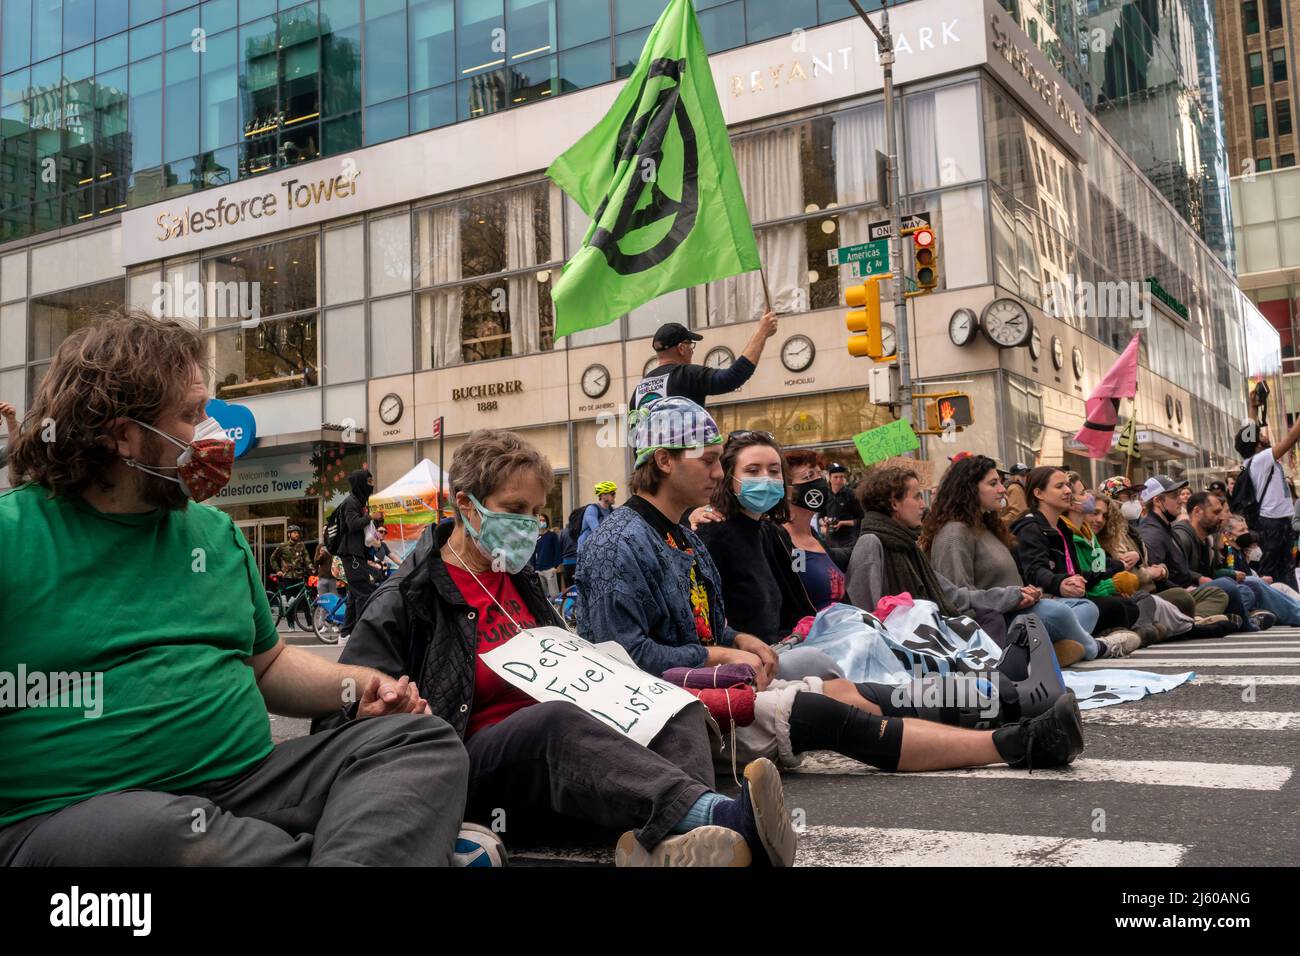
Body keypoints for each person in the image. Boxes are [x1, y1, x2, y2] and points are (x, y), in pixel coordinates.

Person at [0, 310, 469, 866]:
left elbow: (266, 666)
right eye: (192, 414)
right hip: (77, 814)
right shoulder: (14, 536)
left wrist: (363, 685)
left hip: (249, 786)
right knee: (164, 834)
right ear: (125, 435)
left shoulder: (216, 535)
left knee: (419, 741)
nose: (214, 433)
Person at [315, 427, 801, 867]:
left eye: (535, 511)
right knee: (552, 722)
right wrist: (377, 710)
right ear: (465, 504)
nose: (529, 524)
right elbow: (334, 714)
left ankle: (666, 844)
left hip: (560, 757)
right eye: (514, 510)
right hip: (469, 767)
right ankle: (721, 819)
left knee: (678, 708)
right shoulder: (407, 598)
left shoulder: (520, 580)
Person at [577, 397, 1086, 776]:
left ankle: (1008, 697)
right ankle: (1019, 743)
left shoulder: (683, 535)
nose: (718, 471)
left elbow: (706, 622)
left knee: (855, 689)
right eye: (708, 460)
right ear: (665, 460)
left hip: (723, 680)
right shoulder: (616, 541)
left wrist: (740, 641)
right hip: (676, 711)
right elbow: (620, 660)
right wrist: (716, 655)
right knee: (826, 709)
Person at [921, 455, 1105, 666]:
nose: (1002, 489)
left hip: (1018, 609)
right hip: (995, 621)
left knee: (1087, 607)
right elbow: (957, 602)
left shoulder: (987, 526)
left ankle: (1047, 652)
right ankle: (1094, 648)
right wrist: (1011, 597)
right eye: (993, 483)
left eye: (1000, 482)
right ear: (970, 489)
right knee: (1060, 612)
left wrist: (1029, 593)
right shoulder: (954, 533)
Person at [692, 431, 845, 683]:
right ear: (729, 478)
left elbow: (793, 600)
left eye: (774, 471)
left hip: (784, 655)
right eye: (752, 471)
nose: (766, 479)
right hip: (746, 674)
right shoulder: (711, 535)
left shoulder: (771, 533)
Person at [848, 465, 1032, 646]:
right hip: (908, 649)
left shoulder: (906, 544)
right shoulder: (872, 543)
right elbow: (866, 618)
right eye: (917, 497)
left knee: (990, 619)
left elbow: (952, 595)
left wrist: (1011, 595)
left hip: (926, 637)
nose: (923, 505)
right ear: (894, 503)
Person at [1010, 467, 1142, 657]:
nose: (1068, 491)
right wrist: (1062, 583)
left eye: (1067, 486)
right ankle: (1094, 647)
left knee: (1113, 607)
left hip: (1067, 599)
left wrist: (1076, 581)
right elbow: (1035, 571)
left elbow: (1077, 572)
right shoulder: (1030, 528)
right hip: (1043, 601)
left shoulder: (1062, 527)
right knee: (1095, 608)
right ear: (1039, 494)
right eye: (1059, 486)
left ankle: (1065, 646)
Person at [1137, 475, 1241, 628]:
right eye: (1174, 496)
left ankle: (1199, 620)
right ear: (1157, 501)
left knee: (1233, 588)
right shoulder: (1153, 533)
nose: (1180, 500)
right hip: (1171, 596)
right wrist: (1182, 589)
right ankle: (1192, 623)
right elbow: (1155, 577)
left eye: (1180, 494)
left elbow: (1180, 569)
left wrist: (1196, 580)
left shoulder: (1165, 527)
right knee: (1224, 588)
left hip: (1184, 590)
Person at [630, 315, 777, 411]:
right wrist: (762, 333)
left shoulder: (640, 390)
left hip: (650, 460)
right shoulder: (687, 375)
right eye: (690, 345)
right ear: (681, 348)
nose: (692, 351)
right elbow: (732, 378)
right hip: (685, 458)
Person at [1173, 491, 1274, 630]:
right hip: (1185, 593)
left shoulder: (1206, 539)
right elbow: (1175, 570)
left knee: (1246, 590)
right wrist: (1198, 578)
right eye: (1216, 512)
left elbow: (1211, 572)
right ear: (1197, 512)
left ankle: (1232, 619)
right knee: (1228, 584)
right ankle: (1246, 624)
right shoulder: (1182, 536)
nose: (1221, 517)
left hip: (1202, 592)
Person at [1235, 415, 1300, 586]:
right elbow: (1292, 437)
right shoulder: (1261, 460)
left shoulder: (1252, 460)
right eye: (1261, 435)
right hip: (1272, 524)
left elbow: (1248, 428)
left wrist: (1253, 406)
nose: (1265, 435)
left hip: (1276, 522)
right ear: (1257, 444)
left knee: (1285, 569)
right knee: (1275, 571)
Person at [783, 449, 849, 608]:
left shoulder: (813, 536)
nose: (819, 482)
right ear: (788, 491)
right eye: (809, 476)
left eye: (820, 475)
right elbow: (796, 587)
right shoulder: (781, 539)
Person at [1221, 515, 1300, 624]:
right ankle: (1297, 614)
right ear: (1229, 535)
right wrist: (1259, 580)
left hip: (1252, 588)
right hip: (1243, 592)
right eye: (1242, 530)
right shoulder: (1225, 551)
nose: (1247, 533)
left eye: (1247, 529)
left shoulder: (1239, 551)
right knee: (1257, 582)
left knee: (1280, 587)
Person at [334, 466, 377, 638]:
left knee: (354, 595)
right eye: (368, 482)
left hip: (356, 554)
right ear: (360, 482)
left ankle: (345, 634)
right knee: (364, 593)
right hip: (351, 555)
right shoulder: (351, 502)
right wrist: (371, 517)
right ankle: (362, 634)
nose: (371, 485)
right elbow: (352, 524)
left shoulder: (358, 502)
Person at [819, 462, 863, 549]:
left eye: (841, 477)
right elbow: (820, 516)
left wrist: (842, 523)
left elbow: (861, 519)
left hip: (850, 540)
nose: (839, 480)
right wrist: (824, 522)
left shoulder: (852, 495)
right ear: (829, 478)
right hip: (830, 540)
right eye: (836, 477)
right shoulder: (824, 495)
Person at [529, 513, 564, 596]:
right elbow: (533, 553)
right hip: (538, 569)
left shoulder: (552, 536)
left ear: (547, 522)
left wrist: (555, 566)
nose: (541, 522)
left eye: (543, 520)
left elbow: (558, 551)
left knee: (554, 594)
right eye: (540, 520)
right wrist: (533, 568)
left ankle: (556, 608)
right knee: (542, 595)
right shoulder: (536, 537)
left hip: (550, 569)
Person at [578, 480, 617, 553]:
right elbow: (597, 530)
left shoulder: (612, 510)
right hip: (586, 550)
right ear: (603, 495)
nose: (614, 496)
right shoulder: (592, 509)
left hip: (601, 549)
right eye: (612, 493)